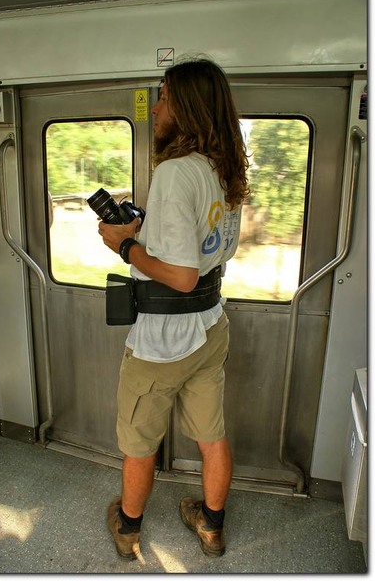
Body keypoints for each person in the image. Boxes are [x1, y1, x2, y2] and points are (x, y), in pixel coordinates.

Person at [98, 57, 250, 560]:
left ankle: (128, 529)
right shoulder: (224, 170)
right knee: (212, 434)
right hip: (210, 328)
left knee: (139, 441)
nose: (157, 107)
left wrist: (123, 245)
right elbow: (209, 251)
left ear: (186, 106)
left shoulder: (174, 171)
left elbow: (181, 276)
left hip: (163, 342)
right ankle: (211, 526)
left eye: (163, 96)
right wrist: (149, 232)